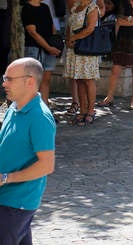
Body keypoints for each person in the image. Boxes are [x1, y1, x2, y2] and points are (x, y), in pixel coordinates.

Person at [0, 58, 56, 244]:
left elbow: (46, 165)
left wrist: (7, 178)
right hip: (7, 199)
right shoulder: (13, 108)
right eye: (4, 78)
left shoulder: (39, 117)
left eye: (9, 79)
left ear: (29, 81)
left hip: (17, 202)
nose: (4, 83)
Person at [64, 0, 101, 125]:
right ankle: (82, 110)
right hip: (75, 48)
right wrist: (68, 39)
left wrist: (73, 38)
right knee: (78, 79)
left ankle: (91, 109)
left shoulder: (92, 8)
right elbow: (70, 25)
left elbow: (90, 28)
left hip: (87, 49)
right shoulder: (75, 7)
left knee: (88, 80)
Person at [20, 0, 61, 107]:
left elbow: (52, 28)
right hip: (34, 48)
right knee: (33, 81)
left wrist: (55, 45)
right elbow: (32, 32)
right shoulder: (27, 8)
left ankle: (44, 109)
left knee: (46, 80)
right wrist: (48, 47)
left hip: (48, 48)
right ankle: (32, 110)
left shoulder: (45, 7)